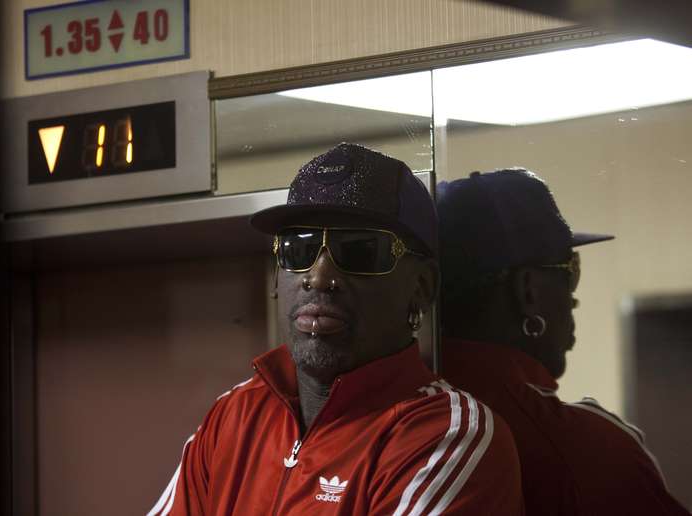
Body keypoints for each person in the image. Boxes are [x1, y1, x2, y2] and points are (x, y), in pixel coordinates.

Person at [148, 144, 524, 515]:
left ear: (421, 287)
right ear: (278, 277)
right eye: (298, 249)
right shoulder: (235, 416)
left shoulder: (448, 435)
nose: (319, 275)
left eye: (361, 250)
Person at [436, 168, 689, 515]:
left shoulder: (399, 412)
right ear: (528, 291)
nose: (574, 299)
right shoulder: (588, 448)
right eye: (570, 270)